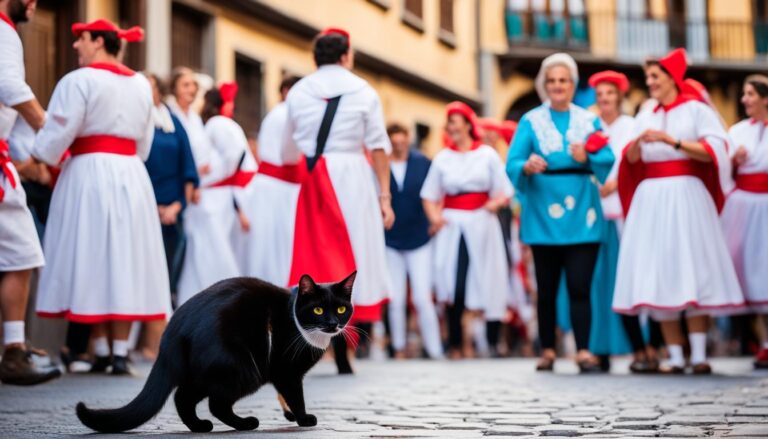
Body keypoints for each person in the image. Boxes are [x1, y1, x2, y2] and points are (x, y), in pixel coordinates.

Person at [32, 19, 171, 376]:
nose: (76, 46)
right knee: (124, 257)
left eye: (81, 40)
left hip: (88, 174)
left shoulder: (78, 81)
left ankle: (98, 350)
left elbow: (55, 136)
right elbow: (143, 143)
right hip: (130, 175)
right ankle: (119, 351)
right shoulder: (141, 84)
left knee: (90, 254)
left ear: (97, 41)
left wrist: (41, 155)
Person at [612, 48, 744, 374]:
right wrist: (638, 145)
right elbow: (629, 161)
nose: (651, 82)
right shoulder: (645, 113)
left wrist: (673, 142)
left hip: (687, 194)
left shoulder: (697, 110)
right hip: (651, 199)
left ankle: (698, 355)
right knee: (660, 270)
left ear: (672, 77)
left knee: (693, 266)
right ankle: (673, 356)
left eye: (656, 76)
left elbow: (715, 151)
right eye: (648, 77)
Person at [282, 28, 394, 374]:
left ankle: (313, 345)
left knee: (314, 260)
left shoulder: (299, 91)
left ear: (316, 57)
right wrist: (384, 195)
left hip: (315, 177)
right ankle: (347, 349)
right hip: (353, 179)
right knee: (354, 257)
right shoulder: (364, 91)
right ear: (346, 55)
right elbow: (377, 146)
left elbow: (287, 148)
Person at [507, 53, 615, 373]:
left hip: (583, 210)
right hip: (543, 210)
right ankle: (548, 349)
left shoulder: (588, 120)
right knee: (548, 287)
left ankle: (583, 349)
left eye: (563, 80)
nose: (557, 86)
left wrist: (587, 156)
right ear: (544, 85)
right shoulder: (530, 120)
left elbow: (606, 160)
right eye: (552, 81)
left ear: (572, 84)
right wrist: (526, 165)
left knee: (581, 285)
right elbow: (512, 161)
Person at [421, 102, 514, 360]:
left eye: (456, 120)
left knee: (489, 278)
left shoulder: (487, 155)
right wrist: (435, 217)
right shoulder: (442, 158)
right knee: (454, 282)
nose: (452, 126)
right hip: (453, 225)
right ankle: (454, 343)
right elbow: (429, 195)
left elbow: (505, 190)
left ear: (467, 124)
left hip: (482, 222)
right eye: (449, 121)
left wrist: (493, 203)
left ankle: (493, 341)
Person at [0, 0, 60, 385]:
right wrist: (50, 133)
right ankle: (13, 350)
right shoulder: (3, 30)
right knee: (23, 251)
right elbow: (11, 88)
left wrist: (34, 159)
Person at [586, 70, 643, 372]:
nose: (605, 100)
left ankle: (639, 347)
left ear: (619, 96)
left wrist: (616, 181)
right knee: (597, 284)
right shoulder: (590, 128)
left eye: (610, 93)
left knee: (626, 280)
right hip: (595, 214)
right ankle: (600, 349)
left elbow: (631, 160)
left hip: (623, 211)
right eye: (600, 95)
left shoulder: (631, 126)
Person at [177, 84, 250, 306]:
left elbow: (234, 155)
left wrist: (210, 176)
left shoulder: (211, 124)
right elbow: (235, 155)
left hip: (213, 197)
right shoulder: (214, 124)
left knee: (209, 250)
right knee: (210, 250)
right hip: (214, 198)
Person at [141, 72, 199, 356]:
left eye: (150, 87)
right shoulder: (136, 121)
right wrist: (150, 206)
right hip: (141, 207)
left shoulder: (173, 122)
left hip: (173, 211)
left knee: (168, 277)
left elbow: (189, 166)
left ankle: (158, 343)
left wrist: (177, 206)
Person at [721, 74, 768, 369]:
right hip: (745, 209)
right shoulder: (737, 131)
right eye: (743, 94)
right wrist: (733, 160)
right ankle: (763, 341)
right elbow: (722, 170)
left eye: (750, 94)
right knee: (751, 271)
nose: (744, 100)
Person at [384, 122, 443, 360]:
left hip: (420, 238)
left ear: (408, 139)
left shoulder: (423, 163)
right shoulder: (381, 165)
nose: (398, 144)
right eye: (394, 140)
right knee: (396, 298)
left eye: (402, 139)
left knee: (422, 297)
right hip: (390, 239)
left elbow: (435, 193)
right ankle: (398, 347)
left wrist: (434, 219)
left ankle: (435, 348)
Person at [240, 75, 303, 286]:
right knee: (280, 245)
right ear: (287, 91)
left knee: (269, 246)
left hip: (276, 186)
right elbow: (290, 154)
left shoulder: (278, 114)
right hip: (280, 187)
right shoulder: (287, 114)